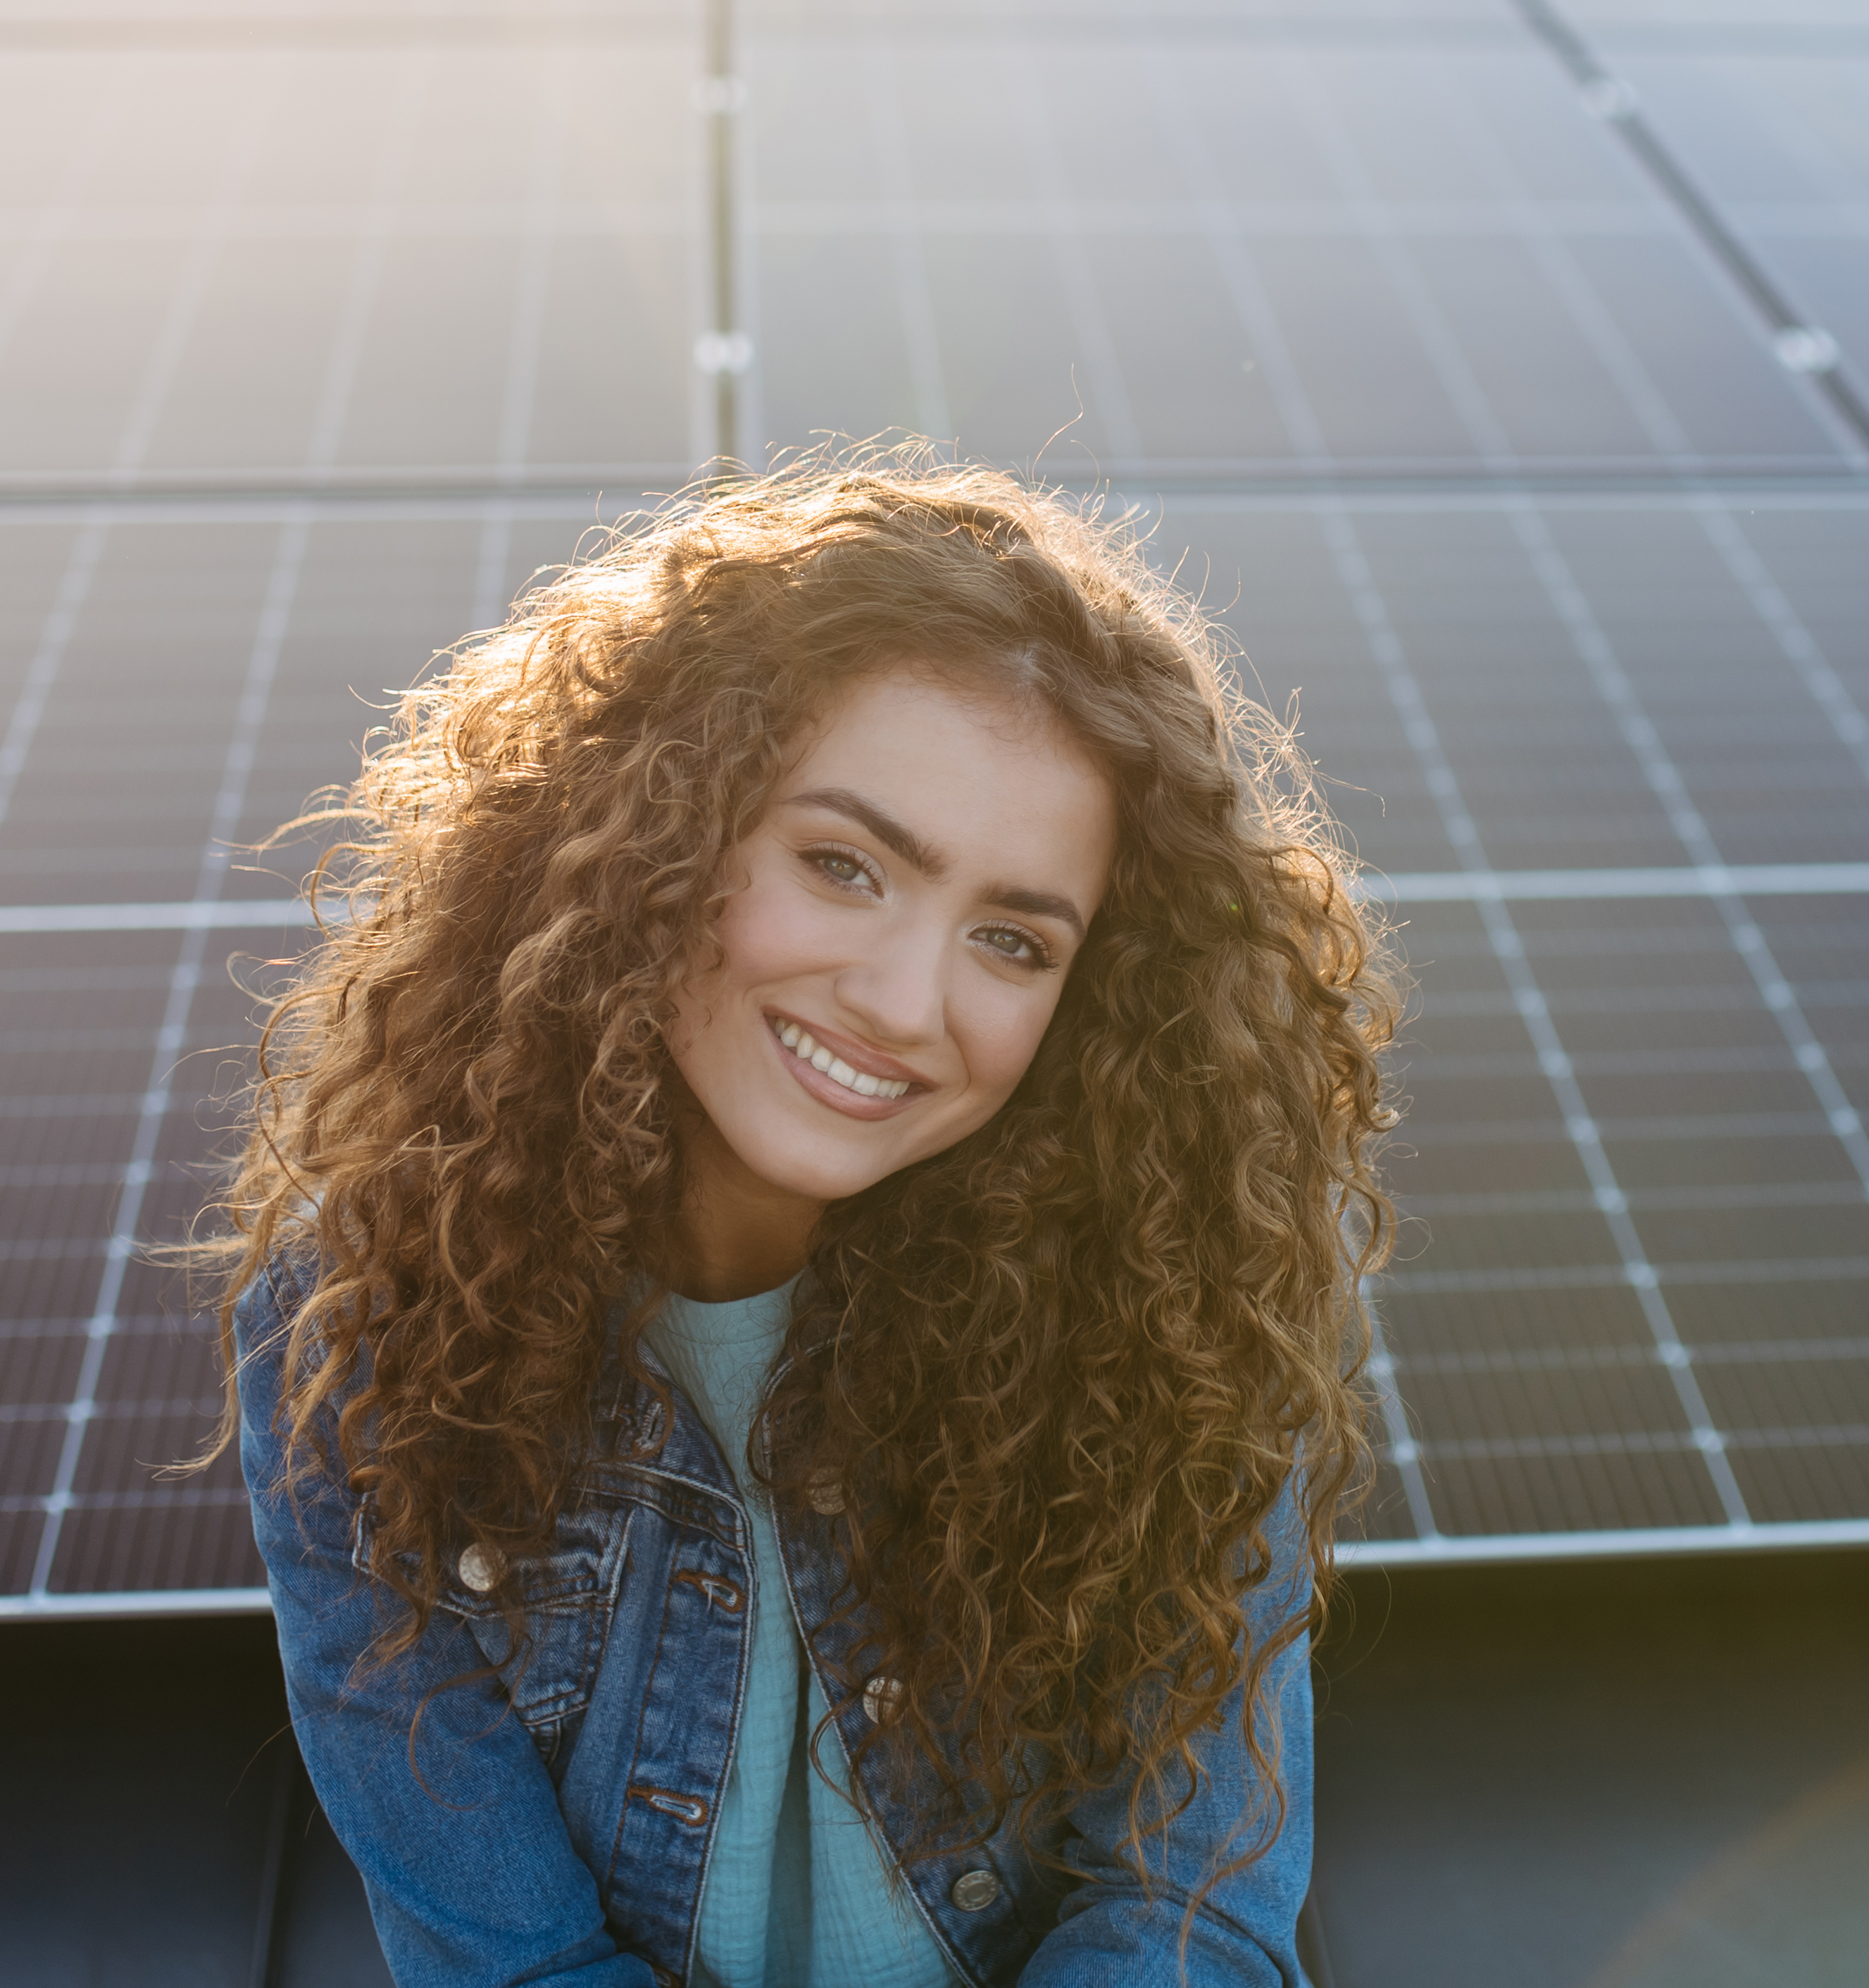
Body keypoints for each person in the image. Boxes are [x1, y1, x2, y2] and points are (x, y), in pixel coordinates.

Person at [200, 456, 1398, 1988]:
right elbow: (512, 1966)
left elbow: (1187, 1916)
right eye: (845, 865)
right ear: (657, 838)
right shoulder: (366, 1320)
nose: (908, 1004)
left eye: (1013, 940)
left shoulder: (1185, 1322)